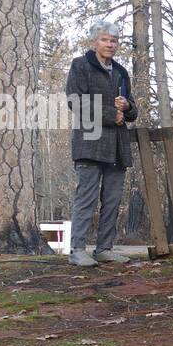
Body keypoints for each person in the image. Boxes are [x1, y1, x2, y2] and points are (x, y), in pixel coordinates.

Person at [66, 21, 137, 266]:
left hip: (117, 146)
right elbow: (75, 101)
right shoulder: (80, 65)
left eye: (114, 41)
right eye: (105, 39)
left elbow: (132, 110)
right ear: (95, 42)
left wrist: (127, 108)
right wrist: (111, 114)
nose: (110, 44)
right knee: (86, 198)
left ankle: (104, 249)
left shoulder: (121, 72)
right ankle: (77, 250)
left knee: (113, 199)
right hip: (89, 143)